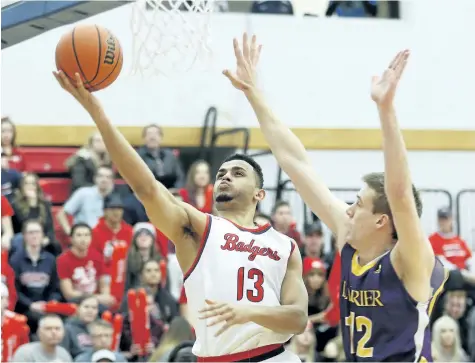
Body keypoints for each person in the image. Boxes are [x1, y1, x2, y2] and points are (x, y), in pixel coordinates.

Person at [52, 44, 308, 360]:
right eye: (222, 172)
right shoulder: (199, 227)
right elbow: (147, 187)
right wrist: (98, 114)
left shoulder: (285, 246)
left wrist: (249, 313)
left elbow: (298, 318)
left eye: (238, 172)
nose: (225, 176)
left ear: (259, 194)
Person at [224, 33, 447, 361]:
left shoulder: (410, 260)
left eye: (358, 203)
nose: (349, 209)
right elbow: (296, 163)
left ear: (383, 219)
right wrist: (253, 94)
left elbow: (400, 195)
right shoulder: (350, 238)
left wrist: (385, 110)